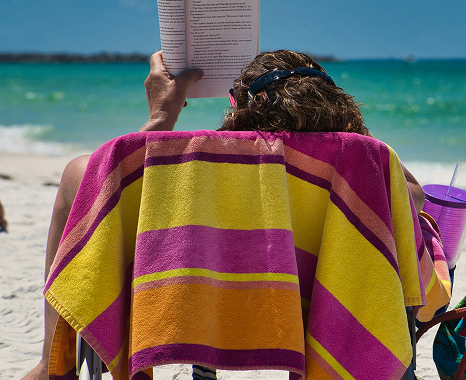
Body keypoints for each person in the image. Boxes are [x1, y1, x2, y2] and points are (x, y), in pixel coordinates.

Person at [23, 50, 432, 380]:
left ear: (237, 105)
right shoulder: (365, 163)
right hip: (315, 295)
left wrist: (160, 117)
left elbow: (99, 178)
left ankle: (50, 364)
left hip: (191, 299)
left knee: (80, 183)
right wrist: (354, 142)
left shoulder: (185, 162)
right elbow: (413, 199)